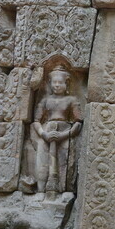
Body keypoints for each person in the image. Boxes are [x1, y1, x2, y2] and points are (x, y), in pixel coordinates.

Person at [31, 65, 83, 196]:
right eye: (54, 82)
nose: (57, 85)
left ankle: (63, 189)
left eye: (60, 82)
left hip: (65, 133)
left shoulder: (71, 100)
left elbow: (78, 123)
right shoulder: (45, 100)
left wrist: (64, 135)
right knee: (43, 161)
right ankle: (41, 190)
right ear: (50, 83)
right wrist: (44, 134)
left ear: (67, 84)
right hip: (46, 133)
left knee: (65, 161)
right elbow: (36, 121)